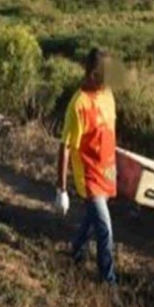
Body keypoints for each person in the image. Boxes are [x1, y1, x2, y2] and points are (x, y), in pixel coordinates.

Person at [57, 48, 118, 286]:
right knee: (105, 229)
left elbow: (110, 130)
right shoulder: (78, 105)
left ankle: (75, 250)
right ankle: (108, 281)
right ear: (92, 74)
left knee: (93, 220)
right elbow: (65, 147)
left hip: (107, 171)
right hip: (89, 176)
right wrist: (61, 189)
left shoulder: (107, 94)